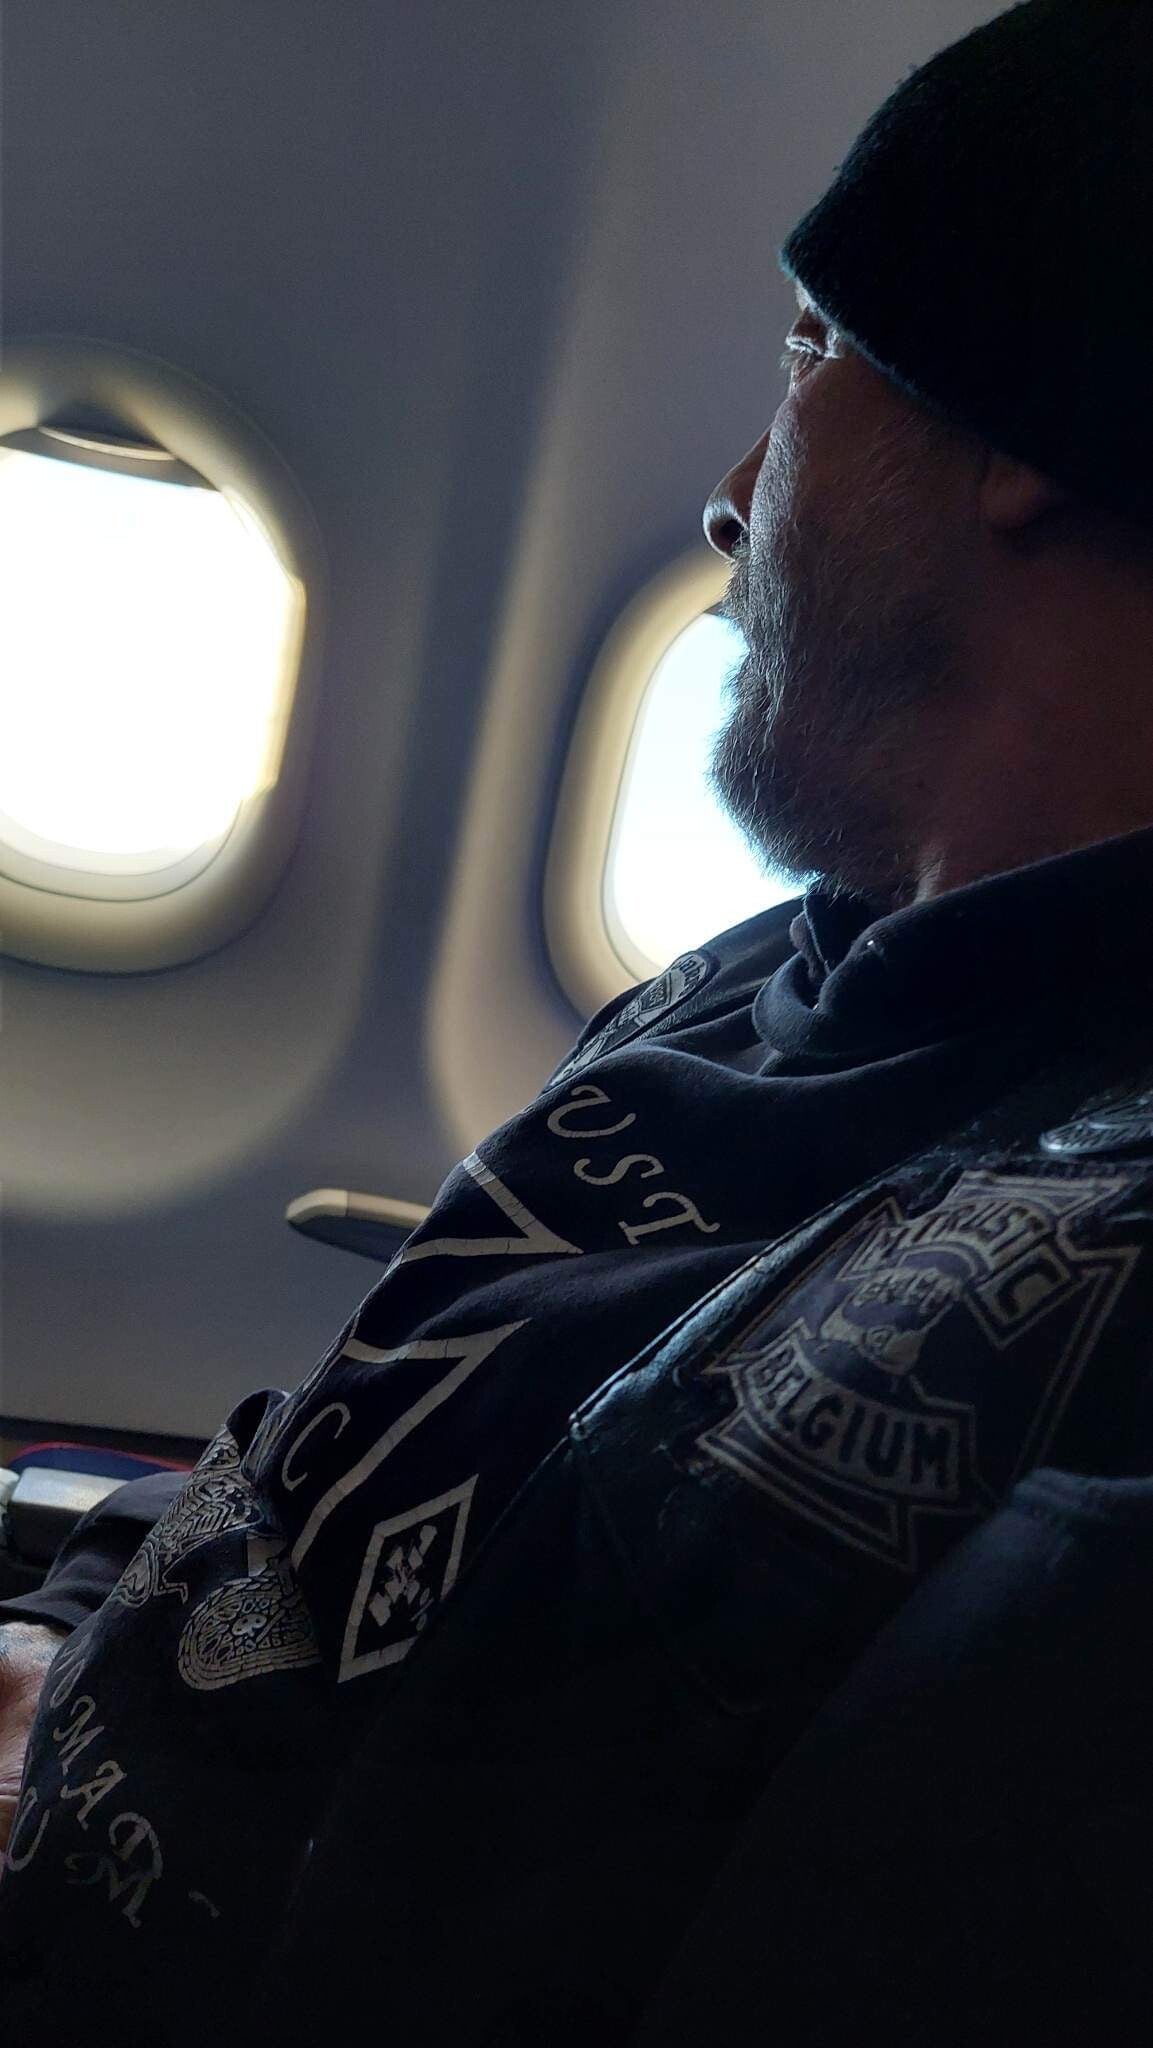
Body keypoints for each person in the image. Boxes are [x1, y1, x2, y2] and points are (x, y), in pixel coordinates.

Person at [6, 0, 1153, 2039]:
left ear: (1032, 434)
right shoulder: (761, 981)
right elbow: (335, 1484)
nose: (732, 491)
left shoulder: (1086, 1291)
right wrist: (65, 1659)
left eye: (807, 350)